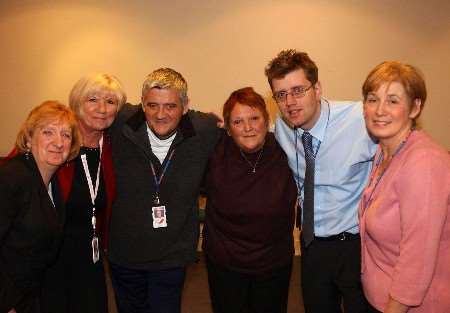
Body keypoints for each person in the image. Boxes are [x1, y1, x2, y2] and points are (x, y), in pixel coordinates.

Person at [265, 49, 376, 313]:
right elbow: (252, 131)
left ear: (317, 89)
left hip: (355, 245)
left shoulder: (359, 120)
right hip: (312, 245)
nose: (290, 102)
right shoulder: (282, 128)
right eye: (281, 95)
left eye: (298, 90)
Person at [108, 68, 221, 313]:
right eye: (152, 105)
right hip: (124, 251)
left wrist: (230, 118)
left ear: (185, 106)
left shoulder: (205, 130)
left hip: (172, 254)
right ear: (142, 105)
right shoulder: (120, 123)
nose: (160, 114)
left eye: (170, 106)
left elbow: (246, 130)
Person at [359, 61, 450, 313]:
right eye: (372, 99)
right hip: (381, 298)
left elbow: (417, 260)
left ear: (415, 107)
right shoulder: (384, 151)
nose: (379, 110)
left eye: (393, 101)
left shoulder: (425, 163)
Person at [203, 87, 297, 313]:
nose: (247, 128)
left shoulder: (288, 150)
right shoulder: (213, 153)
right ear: (226, 128)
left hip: (274, 263)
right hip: (225, 263)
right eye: (238, 122)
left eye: (254, 118)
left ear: (267, 120)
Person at [40, 73, 126, 313]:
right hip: (50, 259)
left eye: (110, 102)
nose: (101, 109)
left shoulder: (112, 146)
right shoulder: (57, 140)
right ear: (77, 103)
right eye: (93, 99)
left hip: (91, 258)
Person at [0, 101, 81, 313]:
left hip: (30, 295)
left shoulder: (53, 184)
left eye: (66, 135)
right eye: (48, 132)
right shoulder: (12, 177)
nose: (58, 142)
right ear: (28, 139)